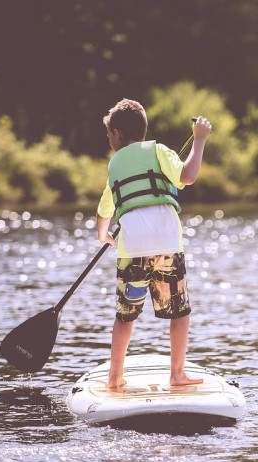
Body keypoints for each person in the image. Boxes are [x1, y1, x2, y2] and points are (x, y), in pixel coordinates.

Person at [96, 98, 211, 388]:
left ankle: (114, 378)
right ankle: (177, 374)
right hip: (167, 247)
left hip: (132, 250)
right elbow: (188, 175)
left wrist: (103, 235)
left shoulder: (114, 165)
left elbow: (104, 209)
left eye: (109, 134)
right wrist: (199, 141)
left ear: (118, 134)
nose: (109, 139)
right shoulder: (159, 151)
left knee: (125, 316)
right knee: (179, 312)